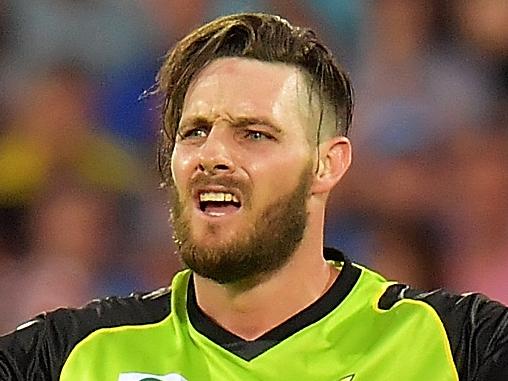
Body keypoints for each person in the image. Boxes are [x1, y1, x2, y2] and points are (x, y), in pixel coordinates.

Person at [0, 12, 507, 381]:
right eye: (194, 131)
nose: (212, 155)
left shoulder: (458, 346)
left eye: (254, 134)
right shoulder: (69, 357)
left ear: (326, 165)